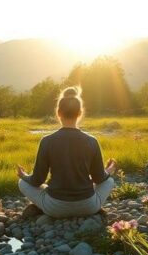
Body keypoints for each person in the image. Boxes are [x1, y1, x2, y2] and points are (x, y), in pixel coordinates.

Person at [16, 86, 117, 218]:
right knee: (109, 181)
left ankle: (41, 207)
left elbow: (37, 180)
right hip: (88, 206)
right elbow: (99, 178)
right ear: (80, 113)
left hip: (55, 208)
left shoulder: (47, 141)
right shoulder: (92, 141)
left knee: (22, 183)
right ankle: (93, 209)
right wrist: (109, 170)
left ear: (58, 113)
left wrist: (23, 175)